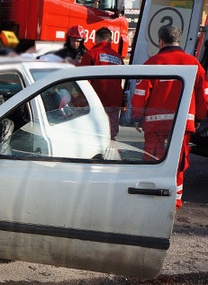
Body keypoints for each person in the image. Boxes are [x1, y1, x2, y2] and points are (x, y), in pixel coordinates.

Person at [130, 25, 208, 209]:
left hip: (155, 124)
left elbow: (140, 94)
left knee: (153, 159)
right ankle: (175, 200)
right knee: (178, 162)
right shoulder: (194, 63)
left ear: (160, 41)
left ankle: (152, 197)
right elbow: (204, 96)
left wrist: (137, 117)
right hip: (183, 123)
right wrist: (198, 118)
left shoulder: (152, 63)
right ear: (178, 40)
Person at [79, 27, 124, 139]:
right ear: (110, 40)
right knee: (111, 135)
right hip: (114, 102)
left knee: (94, 135)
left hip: (96, 102)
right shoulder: (118, 57)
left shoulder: (91, 54)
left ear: (96, 39)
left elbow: (83, 81)